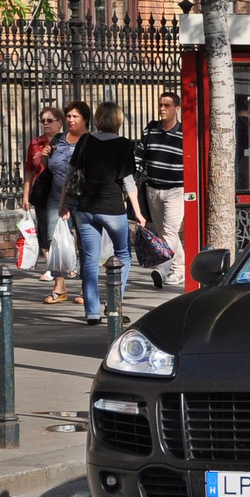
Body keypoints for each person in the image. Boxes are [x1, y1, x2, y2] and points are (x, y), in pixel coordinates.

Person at [61, 101, 147, 325]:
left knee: (90, 259)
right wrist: (138, 212)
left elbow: (69, 176)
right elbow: (128, 181)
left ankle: (91, 312)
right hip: (112, 208)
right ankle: (114, 305)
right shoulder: (123, 144)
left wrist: (63, 205)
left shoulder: (85, 141)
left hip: (86, 208)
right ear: (118, 120)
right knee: (124, 255)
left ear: (97, 119)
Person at [41, 101, 90, 305]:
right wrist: (45, 158)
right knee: (56, 241)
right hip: (57, 197)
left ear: (85, 120)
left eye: (75, 116)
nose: (70, 120)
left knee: (86, 244)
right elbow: (49, 167)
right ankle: (59, 286)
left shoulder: (90, 140)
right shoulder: (59, 139)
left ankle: (86, 288)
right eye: (68, 116)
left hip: (83, 199)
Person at [137, 92, 185, 288]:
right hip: (153, 189)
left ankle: (162, 269)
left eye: (167, 105)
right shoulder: (151, 130)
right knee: (163, 232)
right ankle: (180, 268)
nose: (162, 109)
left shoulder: (184, 133)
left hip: (176, 189)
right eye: (160, 105)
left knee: (170, 231)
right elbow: (140, 156)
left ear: (177, 108)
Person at [22, 107, 62, 274]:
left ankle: (66, 261)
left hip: (61, 190)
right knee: (44, 228)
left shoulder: (65, 142)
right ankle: (50, 266)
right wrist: (25, 195)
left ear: (59, 123)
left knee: (64, 228)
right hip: (42, 191)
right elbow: (29, 170)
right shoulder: (35, 143)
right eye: (43, 120)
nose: (46, 124)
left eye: (49, 120)